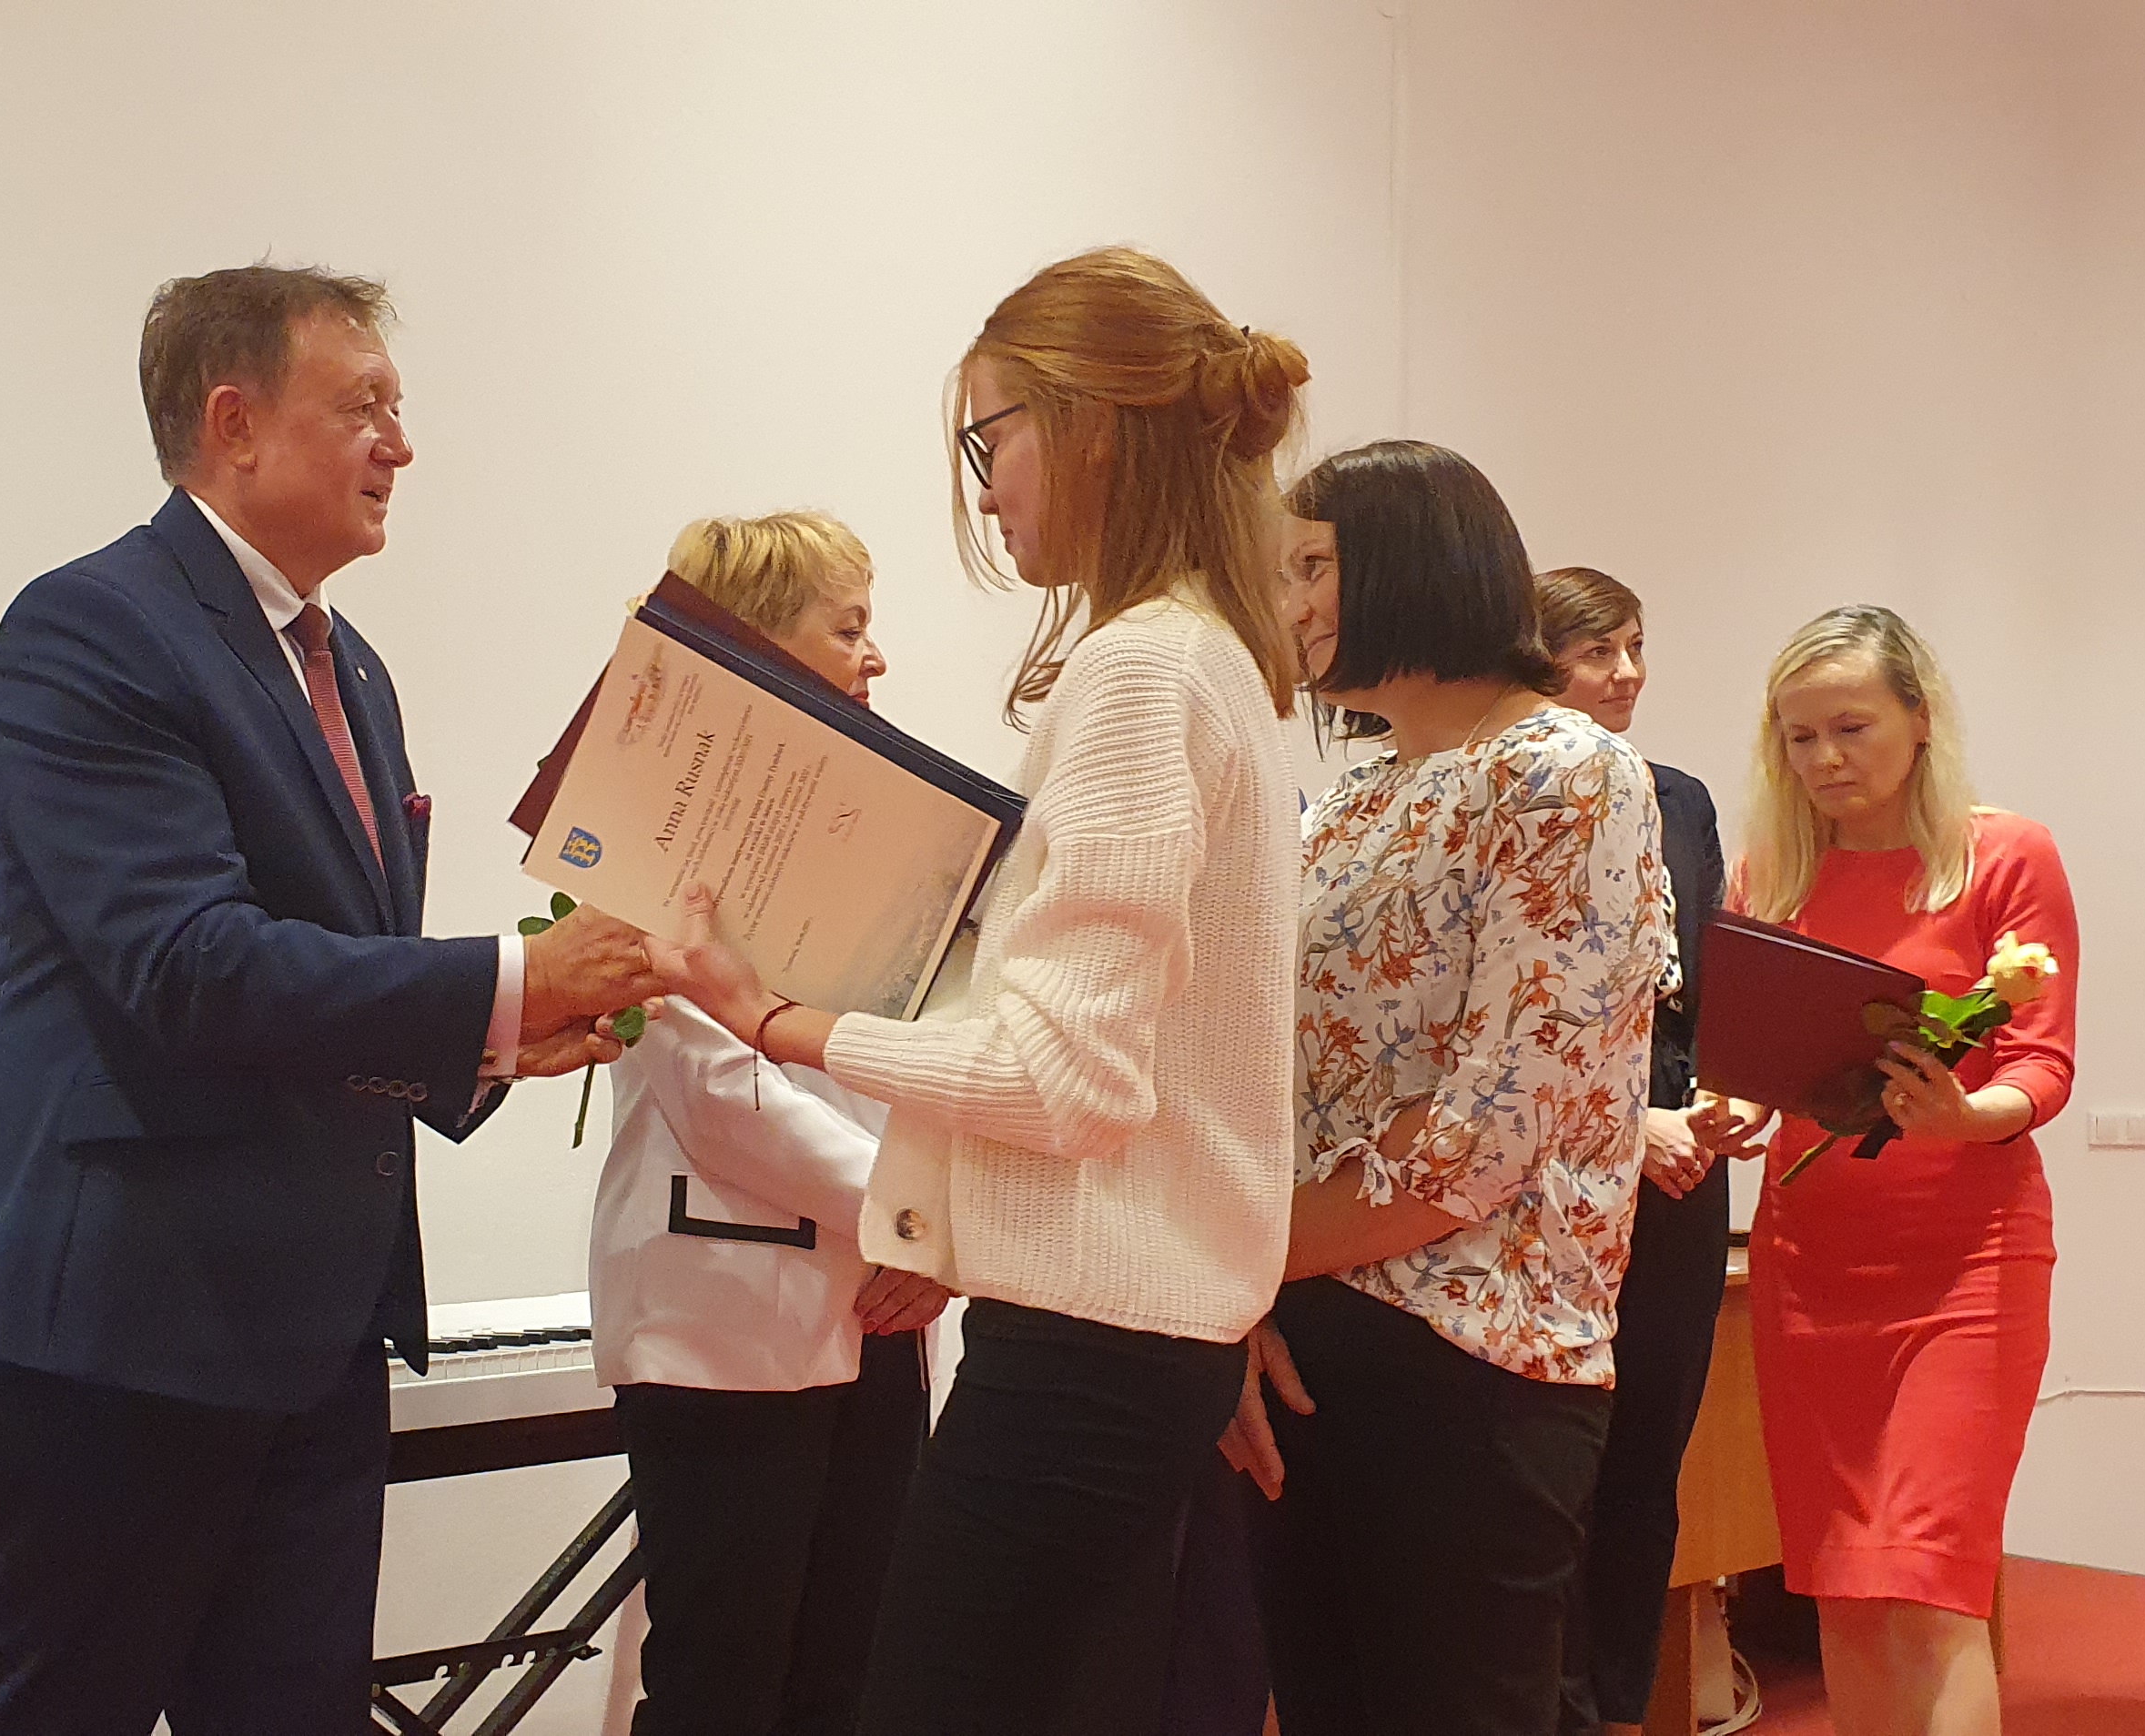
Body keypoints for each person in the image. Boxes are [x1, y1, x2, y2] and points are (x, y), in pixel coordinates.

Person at [0, 264, 666, 1736]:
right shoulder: (91, 625)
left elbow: (322, 975)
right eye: (365, 405)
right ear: (234, 422)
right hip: (120, 1324)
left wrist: (502, 1039)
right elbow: (185, 961)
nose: (402, 445)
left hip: (313, 1329)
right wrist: (502, 979)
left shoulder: (347, 665)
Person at [650, 246, 1305, 1734]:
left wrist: (776, 1016)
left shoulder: (1141, 670)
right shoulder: (1205, 657)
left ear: (1090, 430)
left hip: (1087, 1341)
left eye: (988, 438)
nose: (987, 488)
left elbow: (1065, 1080)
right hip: (1135, 1336)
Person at [1212, 443, 1675, 1736]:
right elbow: (1278, 1073)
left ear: (1412, 563)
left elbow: (1495, 1123)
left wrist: (1239, 1252)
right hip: (1306, 1323)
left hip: (1474, 1350)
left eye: (1312, 567)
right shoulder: (1351, 798)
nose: (1289, 602)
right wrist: (1246, 1294)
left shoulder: (1567, 770)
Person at [1688, 604, 2078, 1736]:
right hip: (1811, 1270)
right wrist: (1732, 1108)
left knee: (1927, 1587)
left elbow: (2043, 1063)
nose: (1826, 760)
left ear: (1921, 719)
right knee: (1844, 1591)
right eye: (1800, 737)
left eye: (1851, 729)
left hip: (1966, 1265)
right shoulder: (1772, 872)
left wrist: (1962, 1117)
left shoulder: (2005, 854)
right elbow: (1758, 1060)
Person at [593, 509, 948, 1736]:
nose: (876, 657)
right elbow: (718, 1091)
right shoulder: (646, 834)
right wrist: (919, 1218)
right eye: (849, 628)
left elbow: (921, 1053)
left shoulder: (880, 829)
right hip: (726, 1321)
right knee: (723, 1689)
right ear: (755, 641)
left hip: (881, 1302)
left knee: (852, 1683)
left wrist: (930, 1228)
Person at [1532, 567, 1731, 1736]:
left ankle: (1615, 1708)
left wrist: (1726, 1098)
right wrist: (1621, 1121)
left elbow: (1706, 986)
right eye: (1598, 651)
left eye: (1637, 648)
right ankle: (1552, 1708)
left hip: (1681, 1169)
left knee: (1648, 1461)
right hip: (1558, 1169)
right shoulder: (1511, 797)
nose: (1627, 675)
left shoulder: (1679, 801)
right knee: (1560, 1461)